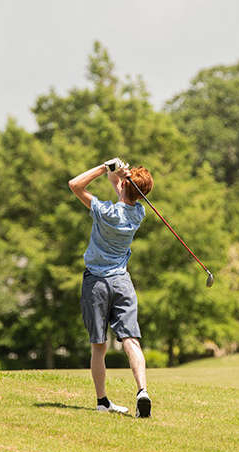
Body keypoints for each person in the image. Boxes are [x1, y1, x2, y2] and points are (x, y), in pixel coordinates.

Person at [68, 158, 154, 418]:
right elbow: (121, 189)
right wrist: (122, 175)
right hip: (122, 282)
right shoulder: (139, 213)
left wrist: (106, 168)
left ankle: (102, 400)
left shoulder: (104, 211)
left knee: (98, 345)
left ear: (125, 188)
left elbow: (75, 185)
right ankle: (142, 391)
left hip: (96, 282)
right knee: (130, 338)